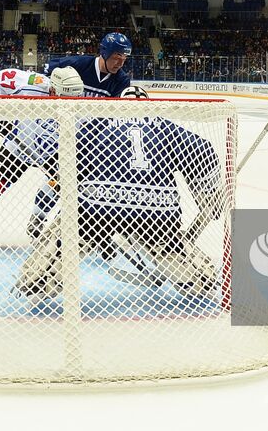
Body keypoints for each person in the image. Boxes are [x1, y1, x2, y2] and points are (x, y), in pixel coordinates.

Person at [16, 108, 223, 300]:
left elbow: (63, 165)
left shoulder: (97, 124)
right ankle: (199, 280)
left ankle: (38, 281)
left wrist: (42, 210)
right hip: (155, 214)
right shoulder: (165, 127)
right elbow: (203, 150)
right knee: (200, 280)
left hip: (96, 210)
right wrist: (209, 196)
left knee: (46, 267)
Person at [0, 65, 87, 248]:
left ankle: (36, 220)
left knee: (59, 184)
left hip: (50, 153)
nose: (70, 102)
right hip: (18, 146)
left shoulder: (78, 104)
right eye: (64, 97)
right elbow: (0, 78)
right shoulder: (33, 84)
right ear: (53, 89)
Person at [43, 31, 133, 98]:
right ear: (105, 54)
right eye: (117, 58)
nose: (121, 64)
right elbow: (46, 70)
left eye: (124, 59)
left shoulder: (122, 80)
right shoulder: (78, 64)